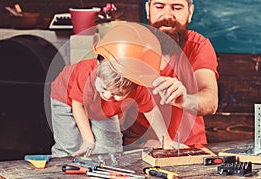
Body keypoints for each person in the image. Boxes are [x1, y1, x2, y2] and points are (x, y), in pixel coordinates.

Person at [50, 23, 186, 157]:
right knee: (70, 146)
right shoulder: (85, 73)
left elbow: (151, 111)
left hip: (101, 108)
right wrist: (88, 139)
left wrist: (166, 140)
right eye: (104, 88)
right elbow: (78, 105)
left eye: (118, 94)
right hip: (66, 100)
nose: (108, 95)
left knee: (111, 148)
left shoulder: (138, 87)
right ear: (98, 66)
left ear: (135, 86)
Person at [122, 0, 219, 149]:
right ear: (148, 10)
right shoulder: (127, 46)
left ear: (190, 12)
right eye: (159, 6)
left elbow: (210, 102)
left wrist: (185, 99)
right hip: (139, 149)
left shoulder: (198, 46)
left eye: (177, 7)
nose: (167, 15)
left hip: (188, 148)